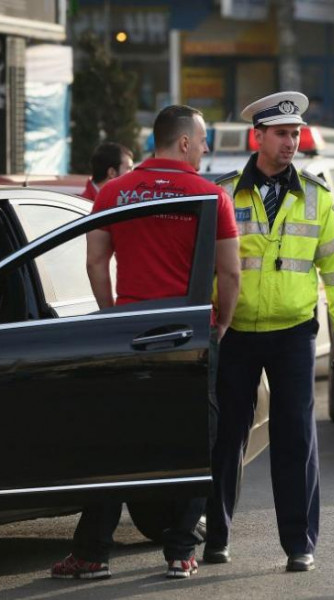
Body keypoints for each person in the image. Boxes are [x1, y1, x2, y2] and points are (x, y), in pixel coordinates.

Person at [50, 105, 241, 580]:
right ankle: (180, 550)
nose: (205, 149)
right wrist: (220, 324)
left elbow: (96, 262)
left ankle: (93, 553)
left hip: (129, 333)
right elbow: (231, 272)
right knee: (195, 441)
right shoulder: (210, 195)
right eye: (201, 141)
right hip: (189, 333)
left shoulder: (115, 191)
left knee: (114, 443)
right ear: (182, 143)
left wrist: (113, 314)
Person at [205, 91, 334, 572]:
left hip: (294, 332)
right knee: (226, 436)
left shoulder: (317, 196)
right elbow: (203, 266)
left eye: (295, 134)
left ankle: (299, 544)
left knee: (295, 439)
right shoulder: (225, 192)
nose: (291, 142)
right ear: (260, 136)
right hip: (234, 332)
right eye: (282, 134)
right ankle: (215, 537)